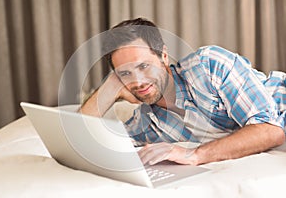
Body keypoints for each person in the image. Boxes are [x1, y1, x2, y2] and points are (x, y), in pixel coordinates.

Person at [79, 17, 286, 166]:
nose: (138, 81)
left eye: (143, 66)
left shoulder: (208, 65)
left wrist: (194, 154)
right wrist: (108, 91)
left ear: (164, 56)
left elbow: (270, 130)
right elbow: (79, 141)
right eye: (125, 73)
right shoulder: (147, 124)